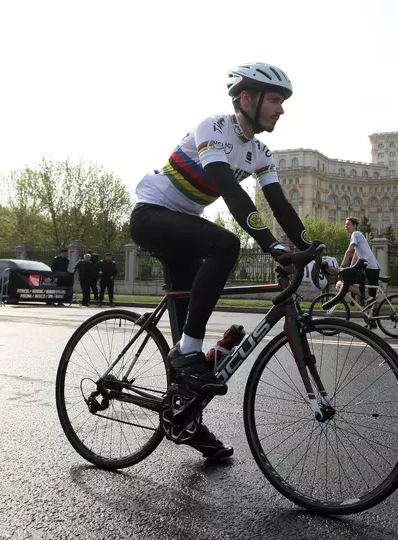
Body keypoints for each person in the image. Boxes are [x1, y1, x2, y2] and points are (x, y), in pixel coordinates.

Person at [129, 62, 311, 459]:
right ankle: (187, 349)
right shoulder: (212, 128)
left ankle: (186, 419)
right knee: (225, 244)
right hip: (152, 215)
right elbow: (230, 191)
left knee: (192, 365)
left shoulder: (260, 151)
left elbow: (280, 206)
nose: (281, 109)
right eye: (276, 100)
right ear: (246, 98)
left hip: (184, 225)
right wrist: (271, 247)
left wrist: (316, 252)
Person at [342, 217, 380, 321]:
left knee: (350, 283)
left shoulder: (356, 234)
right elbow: (355, 255)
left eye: (348, 224)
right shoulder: (357, 236)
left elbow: (349, 251)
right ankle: (371, 319)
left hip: (370, 267)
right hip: (370, 267)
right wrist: (349, 268)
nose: (346, 226)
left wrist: (342, 266)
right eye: (345, 224)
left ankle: (367, 302)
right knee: (370, 296)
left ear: (355, 226)